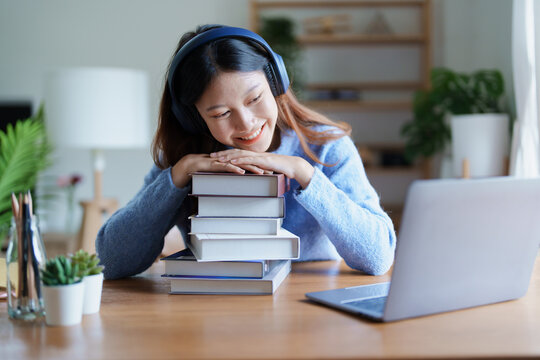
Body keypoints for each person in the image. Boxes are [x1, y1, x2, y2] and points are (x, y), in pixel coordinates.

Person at [96, 24, 396, 280]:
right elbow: (113, 261)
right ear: (194, 117)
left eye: (254, 98)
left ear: (275, 81)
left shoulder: (325, 146)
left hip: (309, 303)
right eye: (221, 113)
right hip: (217, 305)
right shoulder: (185, 158)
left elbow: (378, 257)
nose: (246, 124)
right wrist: (175, 178)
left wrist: (306, 175)